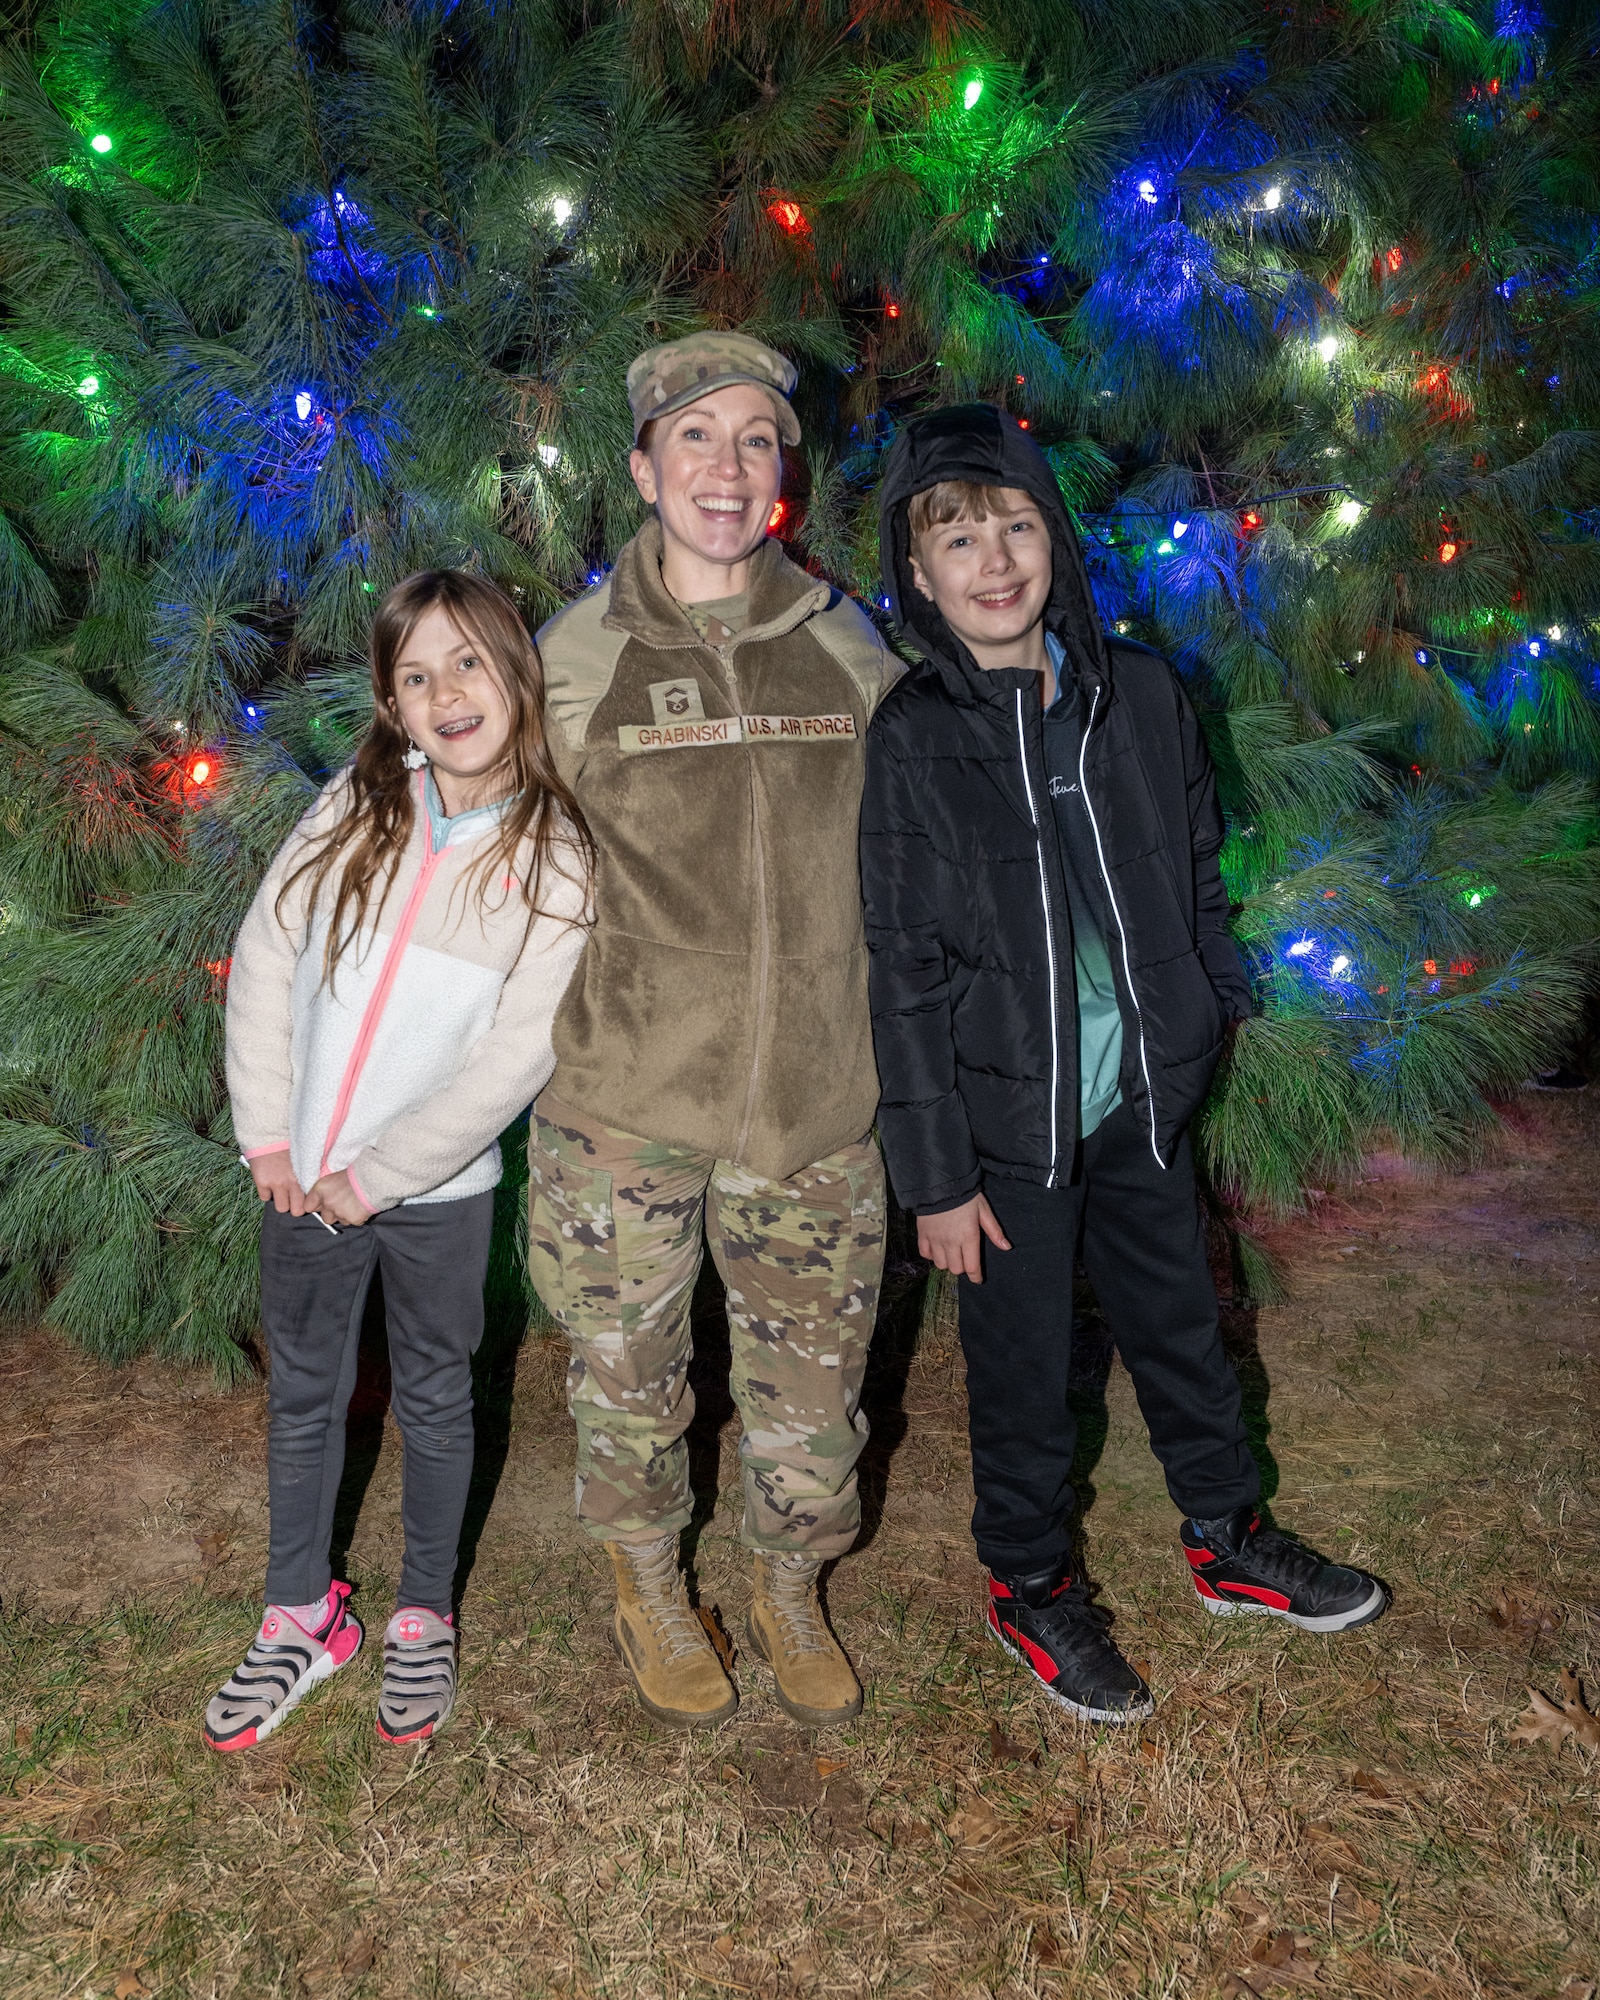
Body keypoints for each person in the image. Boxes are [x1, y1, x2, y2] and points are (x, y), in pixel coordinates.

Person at [861, 404, 1387, 1725]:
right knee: (1027, 1368)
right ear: (918, 578)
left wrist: (1204, 1011)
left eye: (1016, 526)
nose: (993, 561)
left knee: (1185, 1334)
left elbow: (1197, 876)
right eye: (956, 539)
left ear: (1058, 542)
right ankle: (1032, 1584)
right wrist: (932, 1179)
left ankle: (1228, 1538)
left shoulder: (1141, 695)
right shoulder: (916, 737)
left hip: (1142, 1104)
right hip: (1001, 1138)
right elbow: (900, 968)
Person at [529, 331, 902, 1731]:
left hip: (815, 1103)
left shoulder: (844, 641)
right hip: (624, 1100)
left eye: (756, 440)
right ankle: (646, 1584)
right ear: (642, 467)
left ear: (783, 472)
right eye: (696, 439)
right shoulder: (573, 659)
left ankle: (789, 1584)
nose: (728, 469)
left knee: (812, 1399)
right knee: (630, 1383)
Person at [207, 570, 591, 1753]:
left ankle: (423, 1613)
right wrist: (270, 1131)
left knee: (432, 1397)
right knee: (304, 1395)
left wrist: (380, 1170)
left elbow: (517, 1055)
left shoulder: (558, 853)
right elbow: (267, 952)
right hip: (299, 1178)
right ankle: (300, 1613)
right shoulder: (357, 803)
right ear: (390, 701)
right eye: (416, 675)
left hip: (432, 1193)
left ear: (516, 673)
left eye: (468, 662)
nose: (446, 692)